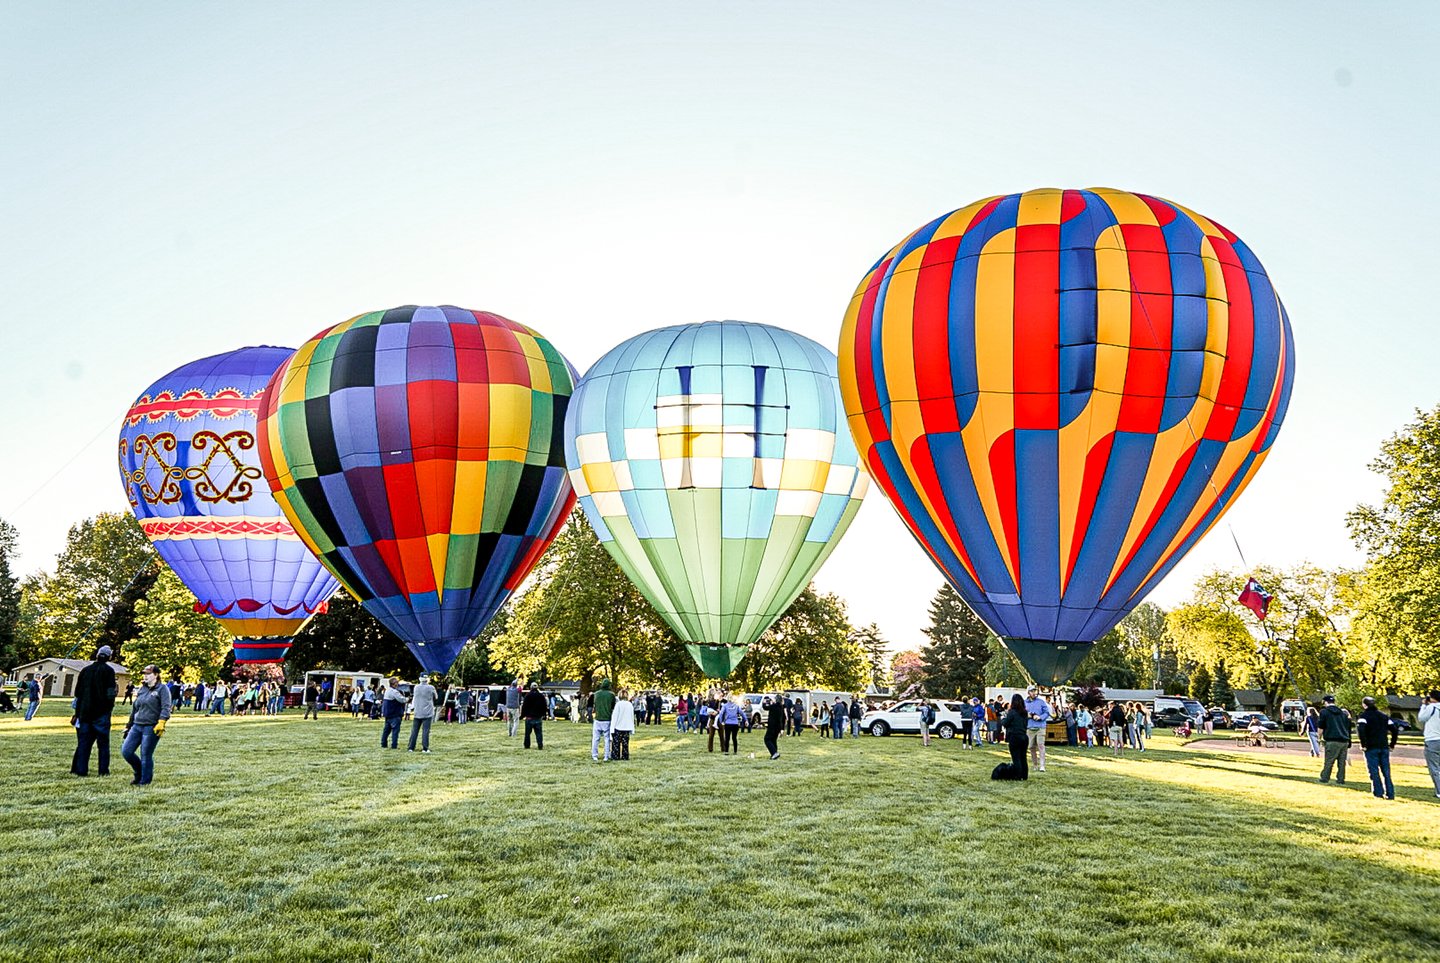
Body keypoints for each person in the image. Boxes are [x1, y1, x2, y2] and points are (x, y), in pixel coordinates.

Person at [71, 645, 118, 777]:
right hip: (101, 713)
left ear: (97, 655)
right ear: (109, 657)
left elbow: (77, 693)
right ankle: (103, 771)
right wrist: (109, 707)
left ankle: (80, 770)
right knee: (103, 745)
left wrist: (77, 712)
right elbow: (110, 693)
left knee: (83, 743)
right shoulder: (109, 671)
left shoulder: (85, 670)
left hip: (84, 712)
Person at [121, 665, 172, 786]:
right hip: (137, 725)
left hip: (151, 726)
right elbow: (135, 708)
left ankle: (145, 781)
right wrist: (129, 725)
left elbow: (166, 707)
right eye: (144, 673)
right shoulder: (142, 689)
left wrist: (162, 722)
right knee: (126, 751)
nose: (145, 676)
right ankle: (139, 772)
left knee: (145, 754)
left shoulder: (162, 689)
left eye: (148, 674)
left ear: (156, 675)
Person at [1355, 696, 1399, 800]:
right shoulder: (1384, 716)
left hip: (1371, 747)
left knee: (1373, 771)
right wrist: (1392, 744)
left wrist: (1364, 744)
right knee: (1386, 771)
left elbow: (1361, 730)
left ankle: (1378, 792)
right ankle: (1390, 793)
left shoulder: (1363, 716)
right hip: (1383, 746)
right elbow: (1394, 730)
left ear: (1364, 705)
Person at [992, 694, 1029, 780]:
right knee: (1023, 757)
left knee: (1016, 757)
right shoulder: (1024, 713)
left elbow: (1005, 723)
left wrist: (1003, 718)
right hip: (1024, 736)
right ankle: (1025, 775)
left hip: (1014, 737)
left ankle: (1018, 775)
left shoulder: (1012, 712)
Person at [1317, 694, 1351, 785]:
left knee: (1329, 760)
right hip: (1344, 740)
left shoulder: (1324, 712)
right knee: (1341, 762)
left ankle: (1325, 777)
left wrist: (1319, 738)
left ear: (1325, 702)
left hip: (1332, 739)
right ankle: (1341, 778)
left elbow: (1321, 726)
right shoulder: (1342, 712)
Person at [408, 674, 439, 753]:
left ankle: (411, 747)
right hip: (427, 712)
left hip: (417, 711)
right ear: (427, 679)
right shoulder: (431, 687)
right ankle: (425, 748)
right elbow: (436, 697)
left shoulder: (416, 687)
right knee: (425, 731)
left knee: (414, 730)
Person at [1418, 690, 1440, 800]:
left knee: (1434, 768)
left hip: (1432, 739)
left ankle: (1439, 791)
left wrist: (1423, 706)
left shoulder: (1432, 707)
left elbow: (1421, 718)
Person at [1023, 687, 1051, 771]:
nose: (1034, 693)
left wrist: (1040, 717)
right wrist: (1028, 715)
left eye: (1035, 691)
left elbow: (1047, 713)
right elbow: (1022, 714)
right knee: (1031, 747)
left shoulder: (1041, 702)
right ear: (1028, 692)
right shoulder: (1024, 703)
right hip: (1030, 727)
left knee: (1041, 745)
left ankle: (1042, 766)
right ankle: (1035, 765)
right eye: (1032, 691)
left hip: (1040, 727)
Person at [592, 680, 616, 762]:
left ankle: (594, 755)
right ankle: (606, 756)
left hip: (598, 718)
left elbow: (594, 704)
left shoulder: (596, 694)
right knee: (607, 739)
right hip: (607, 719)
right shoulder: (611, 695)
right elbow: (613, 706)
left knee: (595, 738)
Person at [609, 687, 635, 760]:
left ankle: (615, 756)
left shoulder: (618, 704)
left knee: (616, 745)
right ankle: (625, 756)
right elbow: (632, 717)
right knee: (625, 744)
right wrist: (632, 729)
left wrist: (612, 729)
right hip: (627, 728)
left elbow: (614, 717)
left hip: (618, 727)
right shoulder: (630, 705)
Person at [519, 682, 547, 749]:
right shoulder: (541, 696)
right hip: (538, 717)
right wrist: (544, 715)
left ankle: (527, 745)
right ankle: (540, 745)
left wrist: (522, 716)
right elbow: (544, 706)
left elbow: (524, 706)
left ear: (531, 687)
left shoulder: (528, 696)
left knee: (527, 734)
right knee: (539, 733)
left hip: (529, 718)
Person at [380, 678, 406, 749]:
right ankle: (394, 745)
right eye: (397, 683)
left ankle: (383, 743)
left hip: (388, 714)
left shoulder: (387, 691)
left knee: (386, 730)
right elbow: (402, 700)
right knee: (395, 731)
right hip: (395, 713)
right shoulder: (395, 692)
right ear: (394, 684)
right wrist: (407, 699)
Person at [764, 693, 785, 760]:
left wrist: (765, 702)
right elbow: (783, 718)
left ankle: (774, 753)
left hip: (772, 725)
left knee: (767, 739)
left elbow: (765, 707)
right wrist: (782, 728)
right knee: (773, 740)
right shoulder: (781, 707)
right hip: (778, 726)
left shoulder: (773, 706)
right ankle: (774, 753)